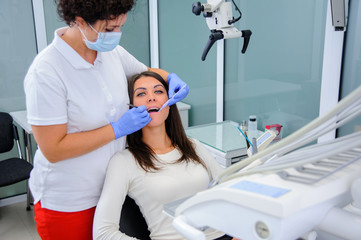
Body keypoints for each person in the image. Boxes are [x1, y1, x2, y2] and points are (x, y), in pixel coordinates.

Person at [23, 1, 188, 239]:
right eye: (109, 29)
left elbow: (148, 73)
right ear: (79, 21)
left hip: (113, 190)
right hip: (70, 200)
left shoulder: (111, 53)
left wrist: (170, 78)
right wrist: (117, 129)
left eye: (120, 26)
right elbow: (53, 149)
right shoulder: (47, 72)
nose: (116, 34)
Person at [93, 71, 232, 240]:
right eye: (141, 93)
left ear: (170, 102)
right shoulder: (124, 162)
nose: (151, 98)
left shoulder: (193, 146)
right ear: (130, 107)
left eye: (158, 91)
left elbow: (229, 193)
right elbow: (102, 233)